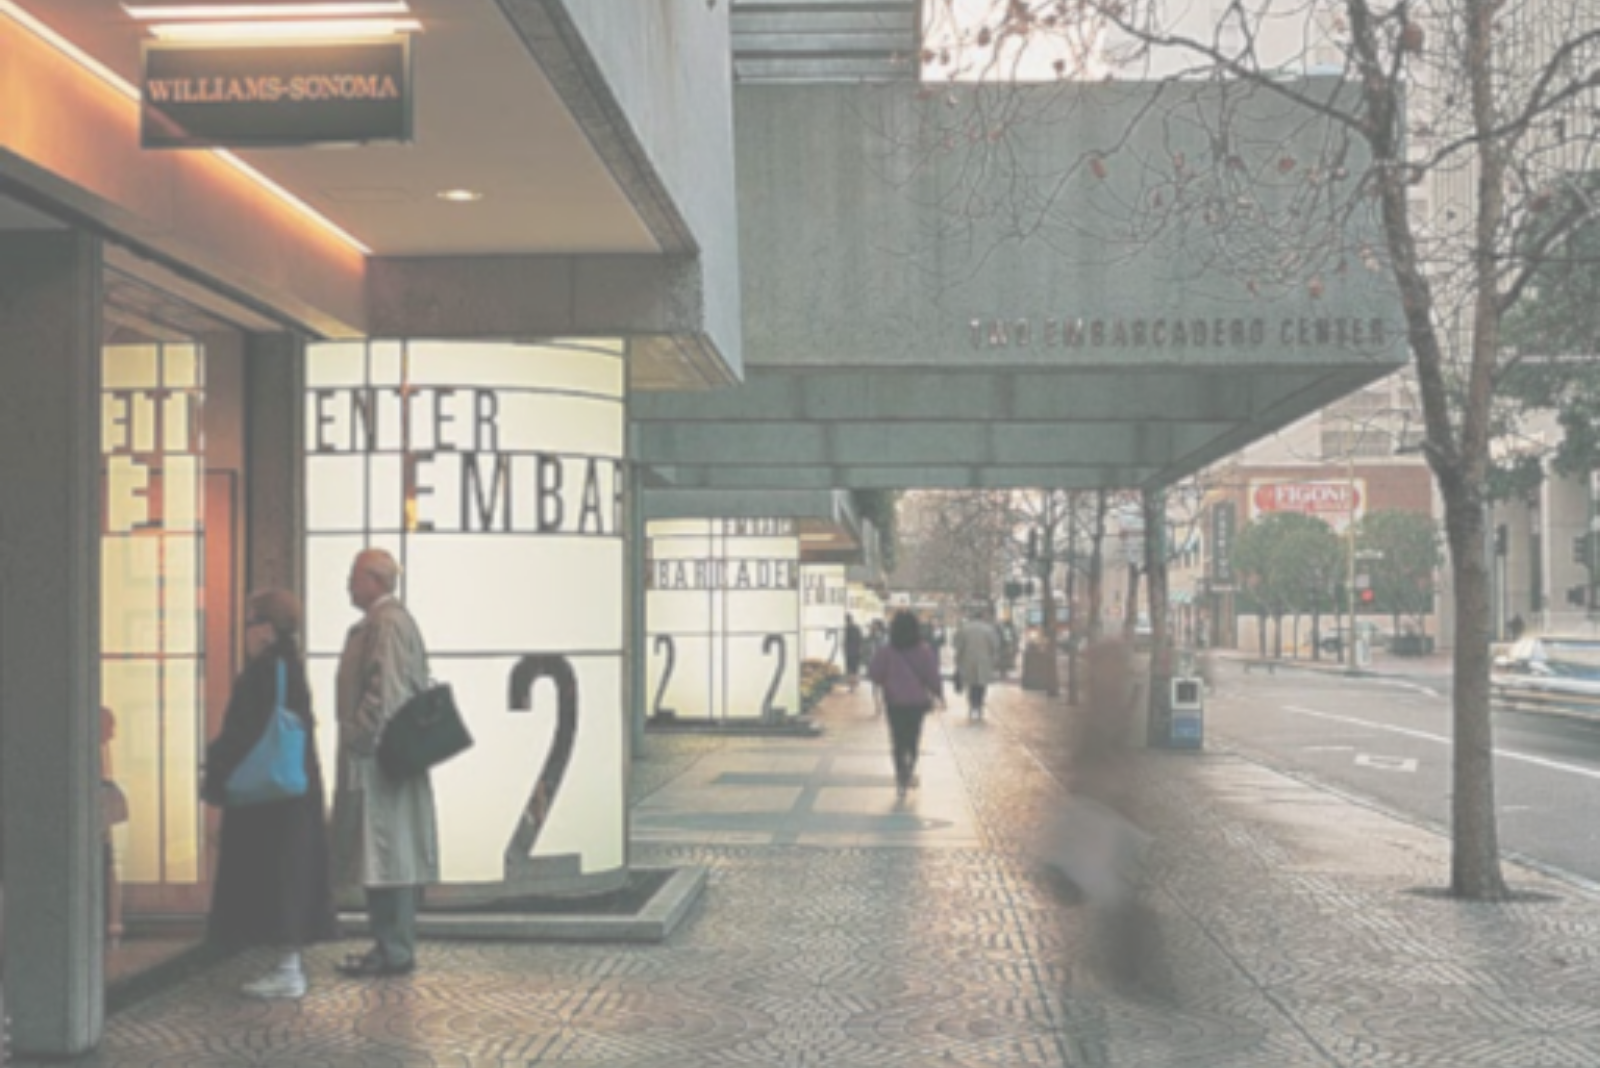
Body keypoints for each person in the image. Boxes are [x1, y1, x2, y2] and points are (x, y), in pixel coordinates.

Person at [201, 590, 337, 999]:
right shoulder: (291, 668)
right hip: (294, 789)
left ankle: (287, 969)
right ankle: (287, 964)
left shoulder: (263, 672)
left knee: (274, 875)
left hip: (268, 796)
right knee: (290, 875)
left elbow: (242, 732)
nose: (244, 632)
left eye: (249, 622)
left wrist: (216, 774)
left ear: (265, 628)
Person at [330, 548, 439, 978]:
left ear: (374, 580)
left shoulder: (386, 623)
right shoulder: (387, 622)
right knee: (385, 853)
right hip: (385, 757)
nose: (348, 584)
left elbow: (385, 691)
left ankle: (393, 947)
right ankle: (389, 945)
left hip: (380, 760)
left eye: (354, 575)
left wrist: (360, 735)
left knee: (387, 853)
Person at [868, 610, 944, 797]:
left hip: (894, 701)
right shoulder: (923, 650)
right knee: (913, 737)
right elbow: (931, 675)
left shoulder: (886, 651)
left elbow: (875, 673)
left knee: (897, 738)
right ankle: (909, 767)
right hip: (917, 702)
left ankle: (900, 771)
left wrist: (886, 681)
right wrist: (939, 693)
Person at [953, 607, 1003, 721]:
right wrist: (994, 659)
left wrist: (957, 660)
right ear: (982, 617)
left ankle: (973, 704)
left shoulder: (964, 629)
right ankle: (979, 704)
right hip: (984, 661)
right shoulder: (989, 629)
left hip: (967, 661)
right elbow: (995, 646)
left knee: (971, 685)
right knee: (981, 684)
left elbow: (957, 645)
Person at [843, 614, 864, 693]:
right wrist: (860, 649)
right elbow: (861, 639)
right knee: (855, 667)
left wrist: (845, 649)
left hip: (850, 651)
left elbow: (846, 640)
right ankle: (854, 684)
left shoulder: (848, 628)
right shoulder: (857, 628)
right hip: (855, 650)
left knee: (850, 668)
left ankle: (852, 687)